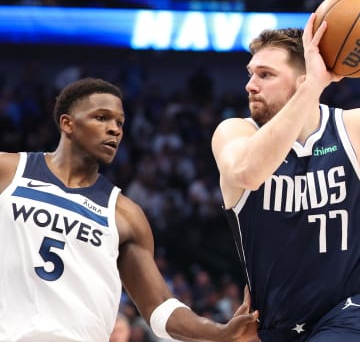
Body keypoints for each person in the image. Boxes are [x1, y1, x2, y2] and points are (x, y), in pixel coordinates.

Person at [0, 77, 259, 342]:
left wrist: (221, 332)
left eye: (119, 123)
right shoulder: (8, 171)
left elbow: (159, 308)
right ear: (67, 123)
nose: (114, 129)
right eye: (101, 118)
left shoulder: (124, 214)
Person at [211, 12, 360, 341]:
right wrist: (312, 90)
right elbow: (248, 173)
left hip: (349, 310)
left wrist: (314, 84)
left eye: (265, 74)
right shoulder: (234, 133)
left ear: (305, 77)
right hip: (276, 324)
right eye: (251, 73)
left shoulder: (351, 128)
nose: (250, 85)